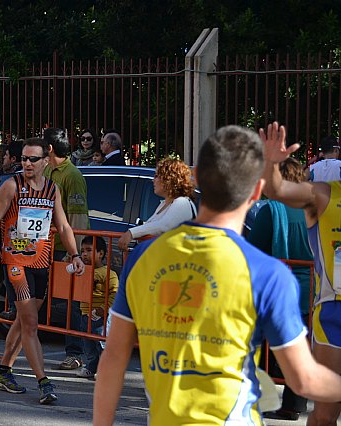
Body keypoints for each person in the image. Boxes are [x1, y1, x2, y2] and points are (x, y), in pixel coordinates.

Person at [93, 124, 341, 425]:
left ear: (196, 179)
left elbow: (113, 360)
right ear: (257, 191)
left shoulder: (144, 257)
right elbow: (303, 381)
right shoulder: (269, 274)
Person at [0, 137, 86, 405]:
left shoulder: (52, 190)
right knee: (30, 324)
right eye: (24, 159)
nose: (27, 163)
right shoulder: (11, 186)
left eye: (33, 159)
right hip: (15, 263)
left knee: (22, 321)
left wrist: (75, 255)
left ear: (45, 161)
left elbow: (62, 226)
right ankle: (44, 382)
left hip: (41, 263)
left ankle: (3, 371)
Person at [261, 122, 341, 425]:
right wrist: (271, 163)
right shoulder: (323, 195)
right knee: (326, 411)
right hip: (335, 313)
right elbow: (277, 190)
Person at [247, 157, 313, 421]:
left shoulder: (270, 209)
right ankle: (294, 403)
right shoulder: (313, 207)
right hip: (314, 287)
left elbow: (254, 249)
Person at [43, 127, 90, 370]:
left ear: (49, 148)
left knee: (73, 303)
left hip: (64, 250)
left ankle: (76, 353)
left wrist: (78, 254)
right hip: (45, 247)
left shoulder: (72, 175)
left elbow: (77, 218)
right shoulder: (47, 170)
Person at [117, 158, 196, 251]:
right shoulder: (164, 204)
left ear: (169, 179)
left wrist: (132, 233)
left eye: (157, 176)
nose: (153, 180)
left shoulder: (182, 202)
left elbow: (164, 226)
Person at [76, 236, 118, 380]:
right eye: (82, 251)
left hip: (101, 317)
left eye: (89, 250)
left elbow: (115, 294)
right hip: (85, 313)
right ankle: (91, 367)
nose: (84, 254)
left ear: (101, 253)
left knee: (101, 344)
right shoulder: (82, 271)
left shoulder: (109, 274)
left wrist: (103, 309)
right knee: (87, 344)